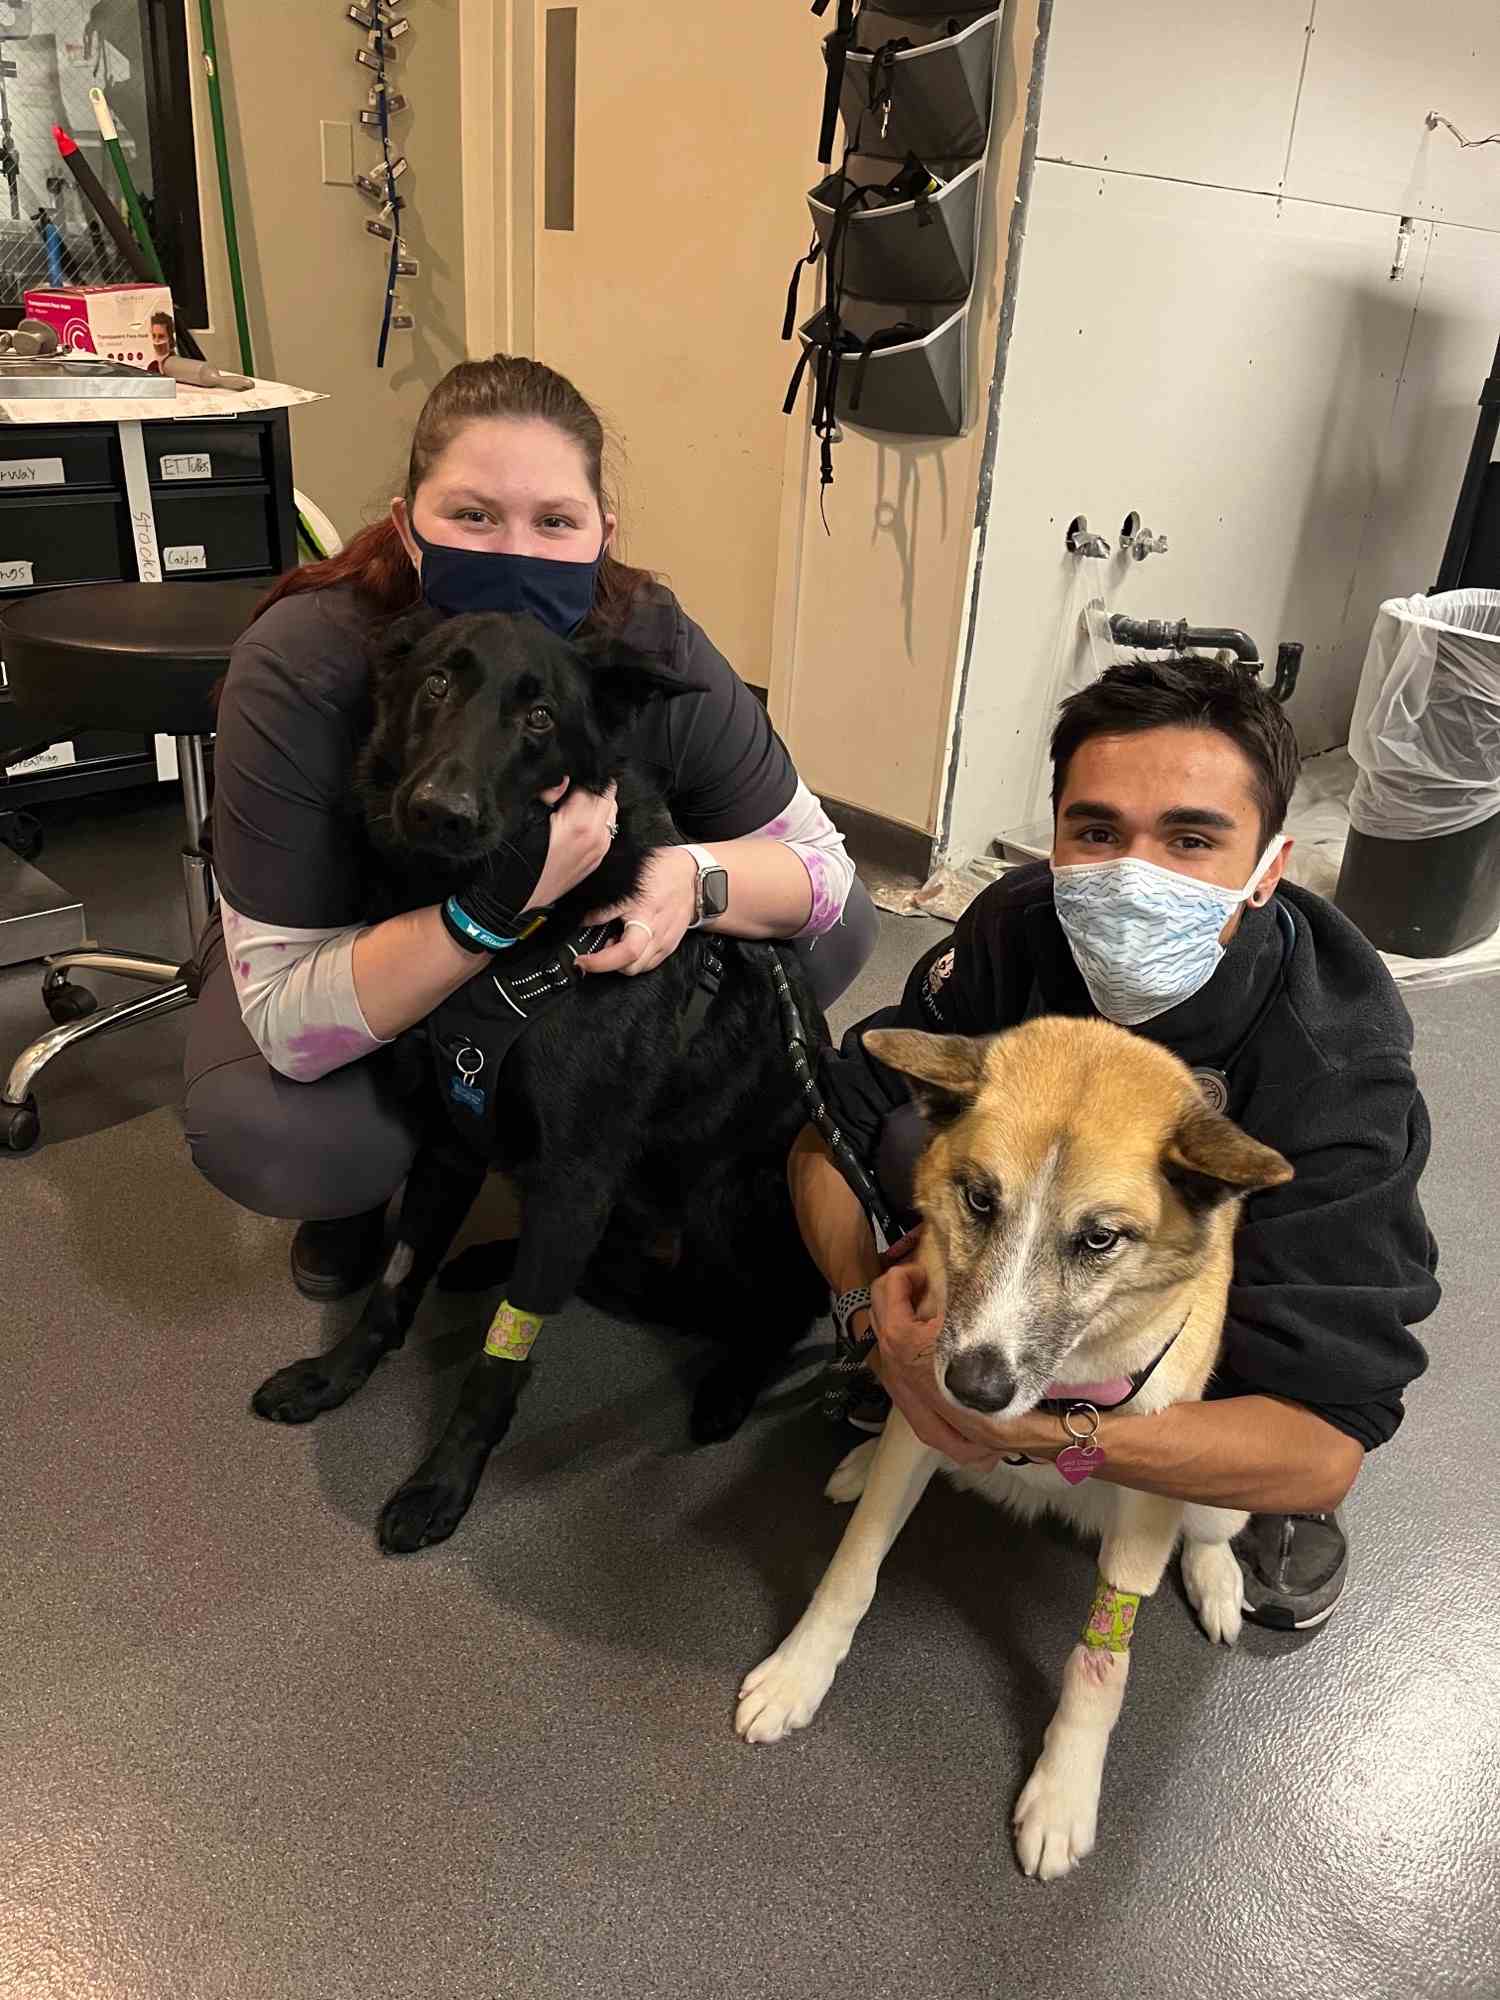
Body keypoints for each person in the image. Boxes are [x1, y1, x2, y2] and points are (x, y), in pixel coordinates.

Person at [185, 354, 877, 1298]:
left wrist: (690, 882)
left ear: (602, 534)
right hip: (345, 940)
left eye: (555, 521)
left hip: (557, 939)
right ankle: (369, 1190)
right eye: (473, 516)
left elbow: (823, 872)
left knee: (834, 934)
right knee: (297, 1137)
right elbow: (285, 1015)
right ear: (408, 528)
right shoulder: (309, 659)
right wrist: (491, 912)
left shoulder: (645, 641)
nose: (515, 553)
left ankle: (592, 1140)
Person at [791, 655, 1439, 1632]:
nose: (1134, 877)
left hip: (1218, 1324)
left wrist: (1045, 1435)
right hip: (1043, 1265)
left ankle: (1238, 1501)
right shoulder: (1019, 922)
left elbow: (1330, 1443)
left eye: (1191, 838)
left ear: (1269, 870)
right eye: (1097, 832)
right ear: (1055, 833)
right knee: (908, 1142)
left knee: (1266, 1368)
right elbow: (837, 1118)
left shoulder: (1338, 1068)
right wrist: (870, 1321)